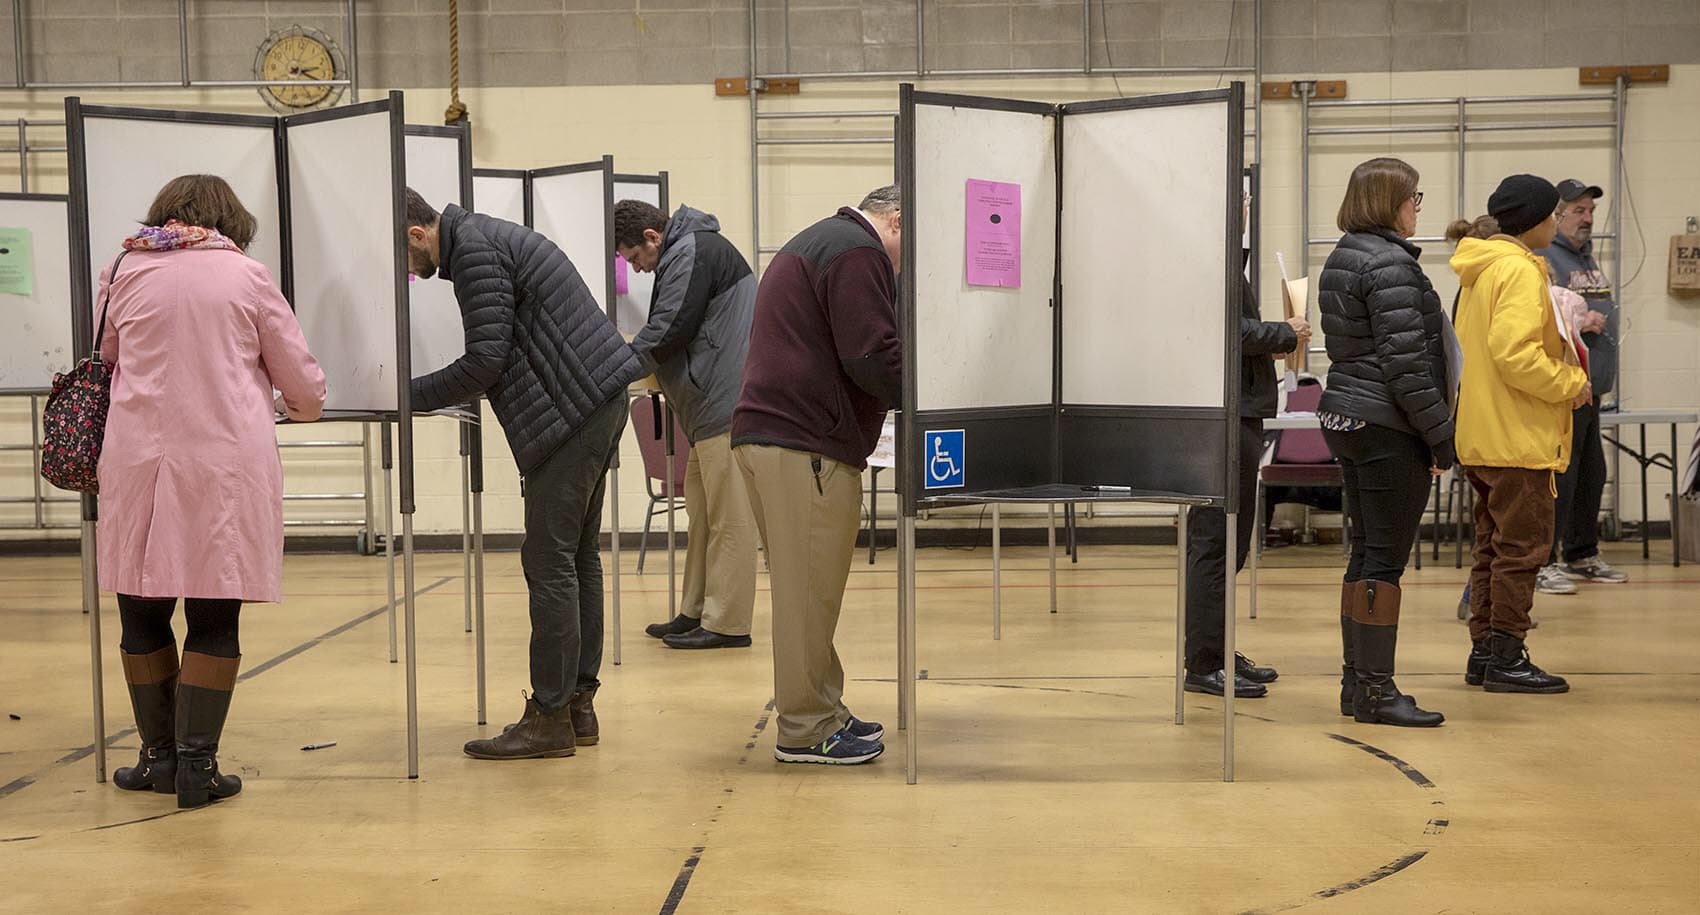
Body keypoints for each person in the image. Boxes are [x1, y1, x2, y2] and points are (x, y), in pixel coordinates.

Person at [100, 174, 326, 808]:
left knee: (140, 606)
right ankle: (198, 769)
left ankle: (157, 759)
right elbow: (302, 385)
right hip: (224, 462)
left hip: (137, 457)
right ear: (231, 219)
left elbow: (108, 355)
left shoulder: (124, 268)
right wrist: (298, 406)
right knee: (213, 609)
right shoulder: (247, 277)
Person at [404, 188, 641, 759]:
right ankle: (578, 706)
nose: (408, 275)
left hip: (572, 411)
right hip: (595, 399)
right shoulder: (484, 238)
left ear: (415, 234)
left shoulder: (475, 253)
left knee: (548, 560)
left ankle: (549, 717)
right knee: (576, 556)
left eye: (403, 261)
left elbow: (485, 362)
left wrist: (403, 396)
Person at [732, 186, 901, 765]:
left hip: (775, 435)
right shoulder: (859, 251)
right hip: (804, 442)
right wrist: (936, 395)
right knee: (807, 593)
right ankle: (805, 728)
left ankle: (824, 707)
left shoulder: (820, 239)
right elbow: (871, 354)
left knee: (810, 588)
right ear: (897, 220)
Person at [1315, 157, 1452, 728]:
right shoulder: (1392, 263)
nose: (1417, 208)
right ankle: (1375, 690)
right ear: (1392, 200)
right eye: (1414, 197)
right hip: (1387, 423)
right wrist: (1442, 437)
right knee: (1385, 562)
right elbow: (1407, 368)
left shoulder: (1344, 254)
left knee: (1366, 554)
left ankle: (1357, 686)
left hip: (1347, 415)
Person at [1451, 174, 1591, 695]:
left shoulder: (1480, 270)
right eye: (1554, 214)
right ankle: (1508, 655)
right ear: (1535, 220)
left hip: (1484, 433)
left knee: (1493, 547)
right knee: (1524, 550)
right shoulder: (1518, 272)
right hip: (1518, 435)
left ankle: (1485, 652)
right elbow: (1515, 355)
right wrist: (1570, 382)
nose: (1557, 223)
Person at [613, 199, 760, 650]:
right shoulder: (688, 250)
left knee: (730, 520)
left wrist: (607, 372)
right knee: (703, 516)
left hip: (725, 407)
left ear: (653, 237)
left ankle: (727, 624)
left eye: (635, 258)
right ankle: (696, 609)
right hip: (707, 412)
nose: (637, 270)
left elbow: (669, 329)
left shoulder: (693, 248)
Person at [1182, 192, 1310, 699]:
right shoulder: (1203, 258)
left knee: (1232, 541)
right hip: (1222, 412)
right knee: (1215, 542)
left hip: (1240, 407)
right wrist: (1281, 330)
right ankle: (1203, 661)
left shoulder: (1223, 256)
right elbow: (1215, 330)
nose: (1247, 205)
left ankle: (1215, 647)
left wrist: (1274, 342)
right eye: (1239, 197)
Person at [1535, 178, 1628, 593]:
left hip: (1592, 389)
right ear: (1557, 215)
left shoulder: (1586, 257)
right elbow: (1542, 317)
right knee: (1564, 477)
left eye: (1591, 210)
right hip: (1562, 390)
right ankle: (1544, 560)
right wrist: (1579, 321)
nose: (1588, 218)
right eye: (1579, 210)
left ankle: (1581, 553)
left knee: (1592, 473)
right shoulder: (1544, 255)